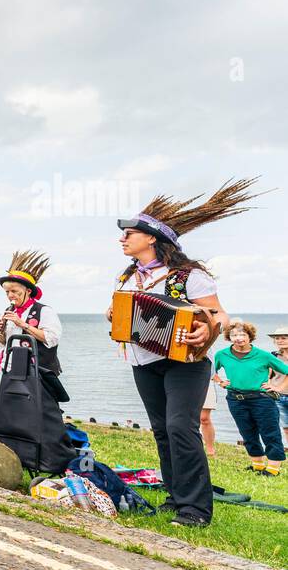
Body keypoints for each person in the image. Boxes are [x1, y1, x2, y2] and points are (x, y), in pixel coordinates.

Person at [111, 181, 252, 527]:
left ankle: (196, 509)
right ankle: (176, 497)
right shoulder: (129, 276)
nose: (123, 238)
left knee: (180, 427)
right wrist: (112, 315)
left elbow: (219, 315)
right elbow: (120, 310)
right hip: (144, 362)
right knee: (162, 429)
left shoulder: (189, 276)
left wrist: (208, 329)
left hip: (185, 363)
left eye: (130, 233)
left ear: (153, 239)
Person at [0, 251, 76, 474]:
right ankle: (17, 457)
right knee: (15, 417)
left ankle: (50, 459)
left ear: (27, 291)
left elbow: (51, 338)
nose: (10, 296)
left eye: (15, 291)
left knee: (42, 417)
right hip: (14, 372)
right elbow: (5, 344)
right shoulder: (9, 311)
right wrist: (1, 332)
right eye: (7, 292)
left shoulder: (44, 311)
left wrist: (23, 324)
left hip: (39, 372)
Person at [212, 321, 288, 477]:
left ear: (250, 336)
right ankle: (257, 465)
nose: (238, 338)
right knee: (247, 433)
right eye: (234, 335)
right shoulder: (222, 355)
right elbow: (209, 369)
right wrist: (220, 381)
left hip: (262, 399)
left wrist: (278, 388)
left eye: (242, 334)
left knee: (270, 433)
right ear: (229, 337)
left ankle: (273, 469)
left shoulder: (263, 355)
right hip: (235, 399)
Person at [272, 325, 288, 447]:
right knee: (286, 427)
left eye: (283, 338)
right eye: (277, 338)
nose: (280, 341)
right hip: (279, 397)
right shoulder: (273, 356)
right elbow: (266, 374)